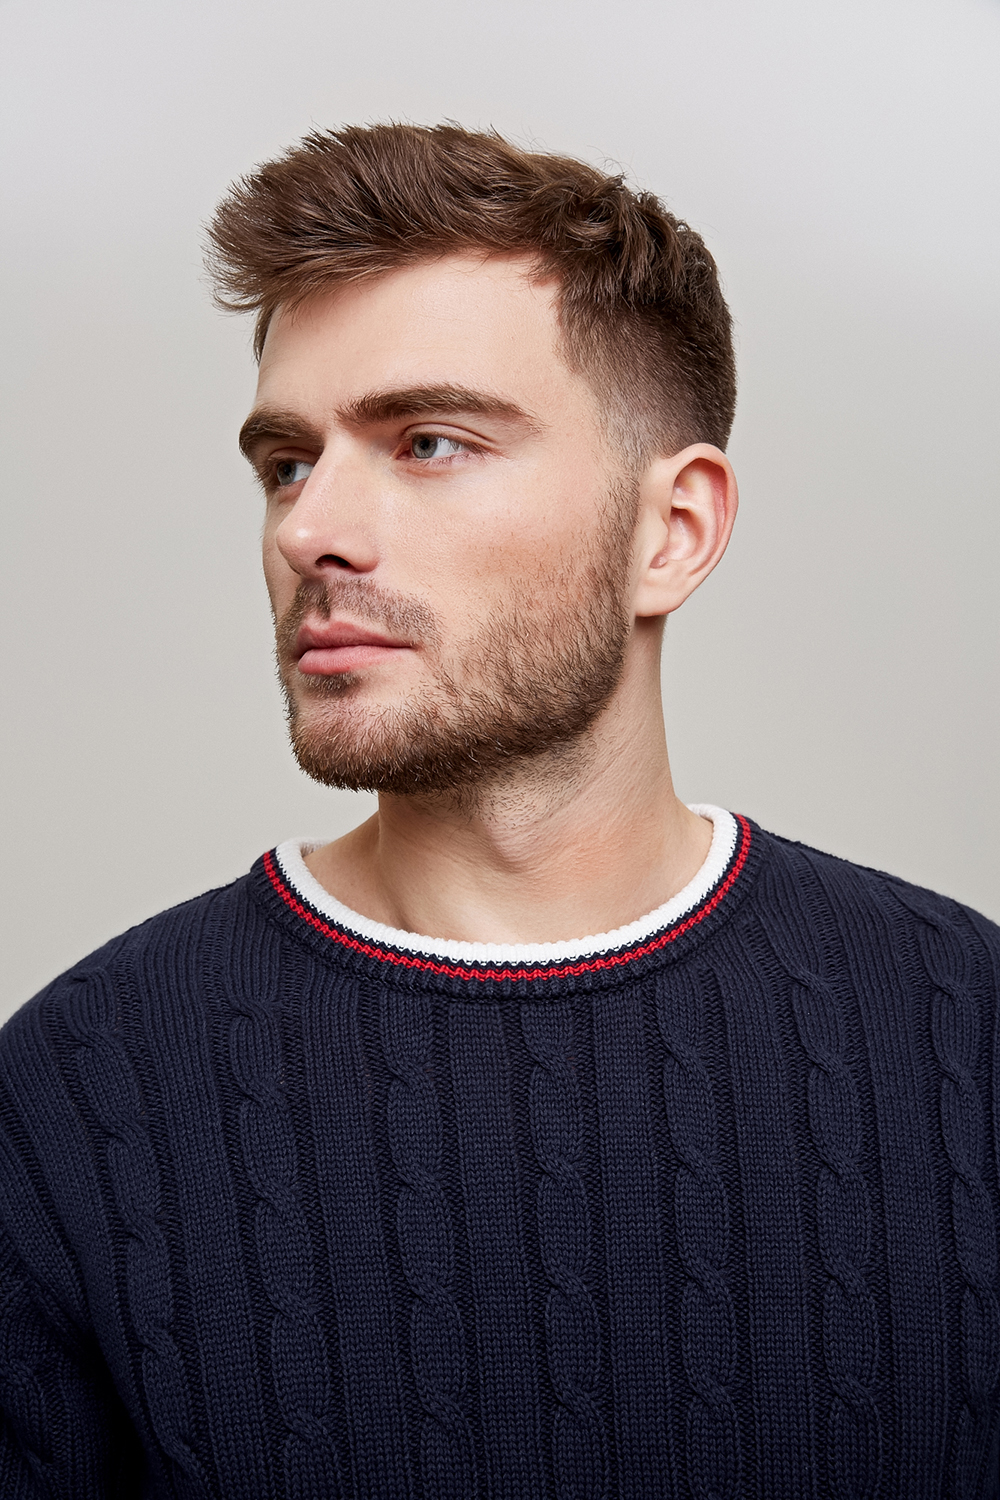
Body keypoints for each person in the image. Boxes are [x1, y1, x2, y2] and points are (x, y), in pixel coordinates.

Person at [0, 122, 997, 1500]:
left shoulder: (966, 1033)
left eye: (429, 441)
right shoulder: (76, 1093)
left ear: (672, 532)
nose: (307, 530)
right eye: (286, 462)